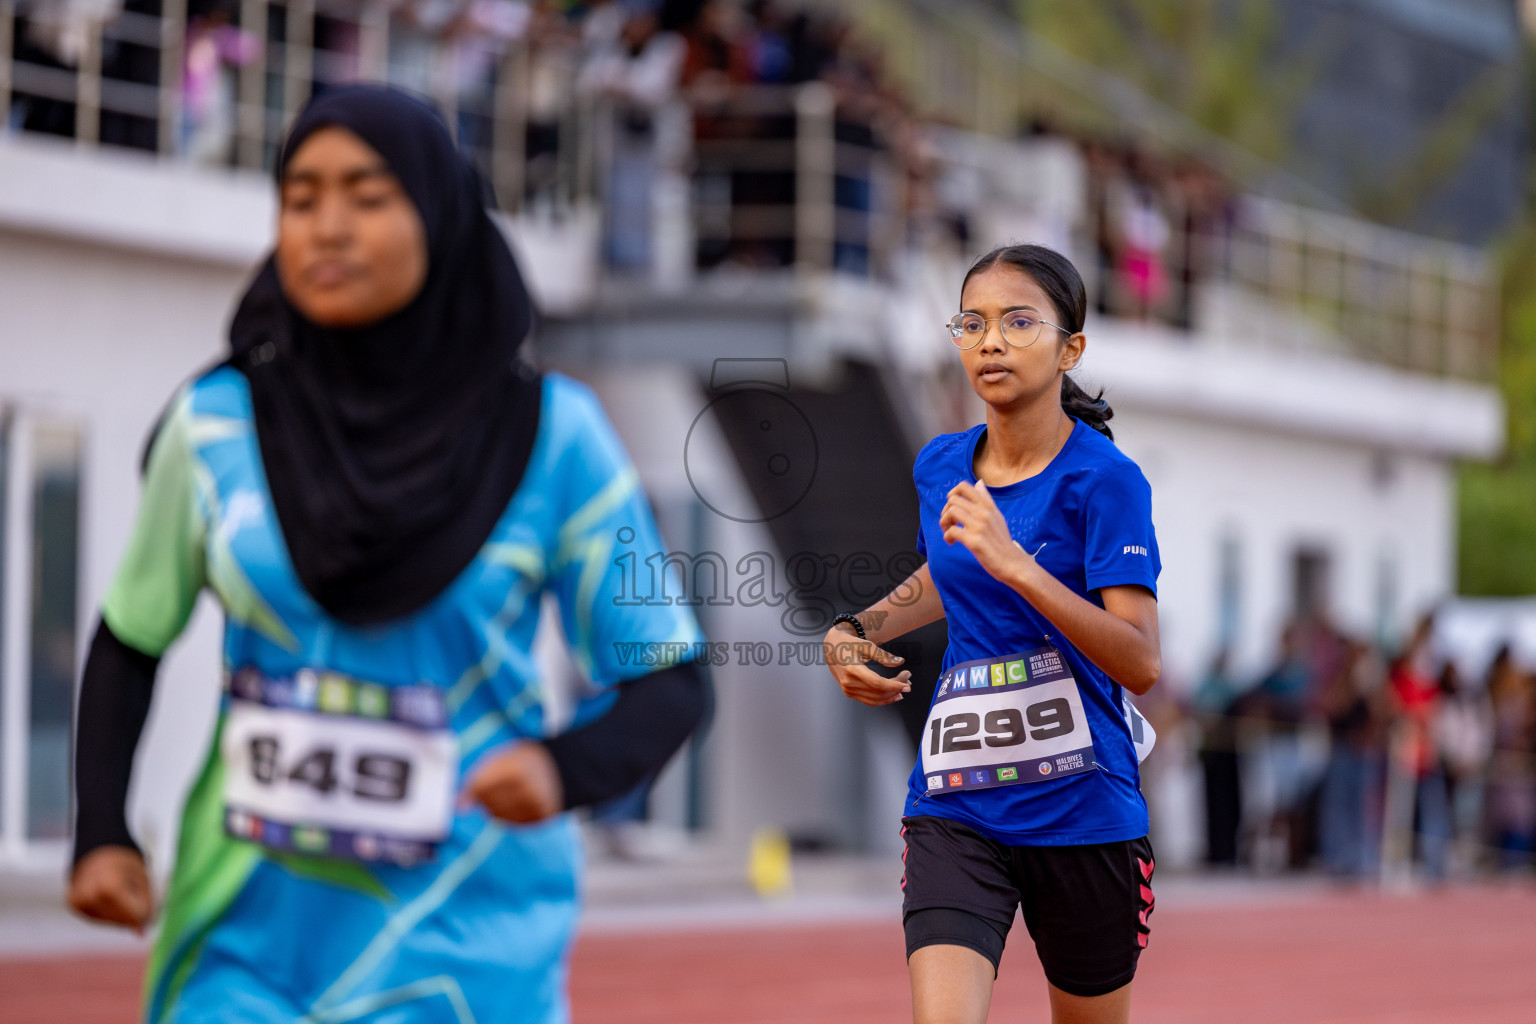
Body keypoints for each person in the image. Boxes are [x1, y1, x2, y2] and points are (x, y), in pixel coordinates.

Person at [66, 85, 708, 1024]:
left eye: (367, 198)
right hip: (243, 943)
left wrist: (564, 769)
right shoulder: (212, 426)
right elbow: (129, 638)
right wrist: (100, 833)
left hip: (462, 949)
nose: (327, 228)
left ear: (438, 216)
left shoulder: (556, 437)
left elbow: (670, 679)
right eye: (300, 198)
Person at [824, 243, 1161, 1024]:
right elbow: (950, 572)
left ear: (1070, 347)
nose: (991, 341)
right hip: (957, 802)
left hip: (1084, 811)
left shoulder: (1106, 482)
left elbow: (1140, 659)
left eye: (1018, 322)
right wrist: (854, 629)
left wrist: (1019, 566)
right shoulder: (941, 466)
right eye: (972, 322)